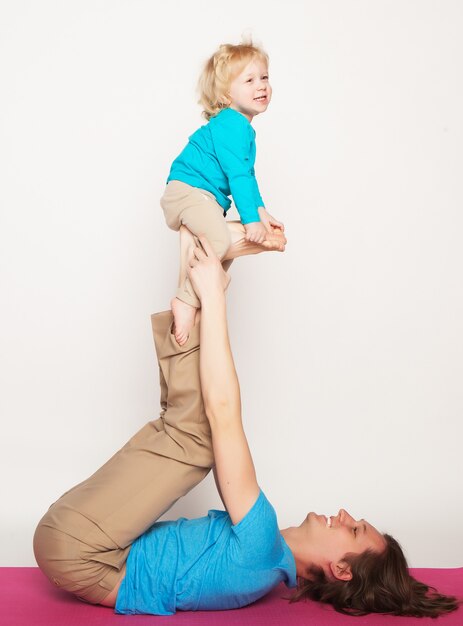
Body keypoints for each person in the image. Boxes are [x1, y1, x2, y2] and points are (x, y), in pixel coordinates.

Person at [33, 234, 459, 617]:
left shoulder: (261, 549)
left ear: (341, 569)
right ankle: (199, 266)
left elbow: (224, 413)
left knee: (197, 440)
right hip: (83, 550)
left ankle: (204, 278)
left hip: (81, 551)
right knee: (191, 429)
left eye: (353, 529)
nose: (344, 514)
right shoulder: (264, 565)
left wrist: (217, 300)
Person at [160, 39, 285, 346]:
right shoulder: (232, 124)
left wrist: (260, 213)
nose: (261, 86)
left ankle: (201, 296)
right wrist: (250, 221)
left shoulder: (242, 127)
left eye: (265, 77)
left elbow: (247, 177)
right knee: (218, 240)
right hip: (188, 191)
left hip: (201, 198)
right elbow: (238, 176)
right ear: (228, 93)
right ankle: (186, 301)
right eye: (250, 80)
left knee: (220, 251)